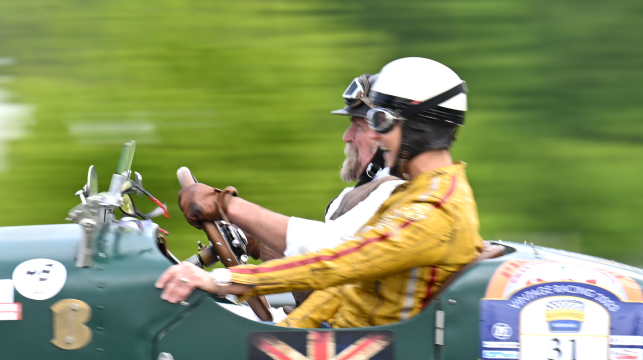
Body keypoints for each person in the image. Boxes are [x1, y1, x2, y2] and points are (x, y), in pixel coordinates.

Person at [155, 57, 481, 329]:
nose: (375, 137)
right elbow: (343, 286)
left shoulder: (434, 209)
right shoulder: (421, 194)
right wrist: (282, 332)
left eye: (379, 122)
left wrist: (220, 280)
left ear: (416, 126)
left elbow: (338, 263)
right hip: (340, 341)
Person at [177, 73, 402, 264]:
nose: (347, 137)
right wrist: (255, 243)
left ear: (384, 135)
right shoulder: (373, 190)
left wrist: (227, 205)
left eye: (358, 127)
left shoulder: (396, 190)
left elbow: (332, 251)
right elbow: (318, 273)